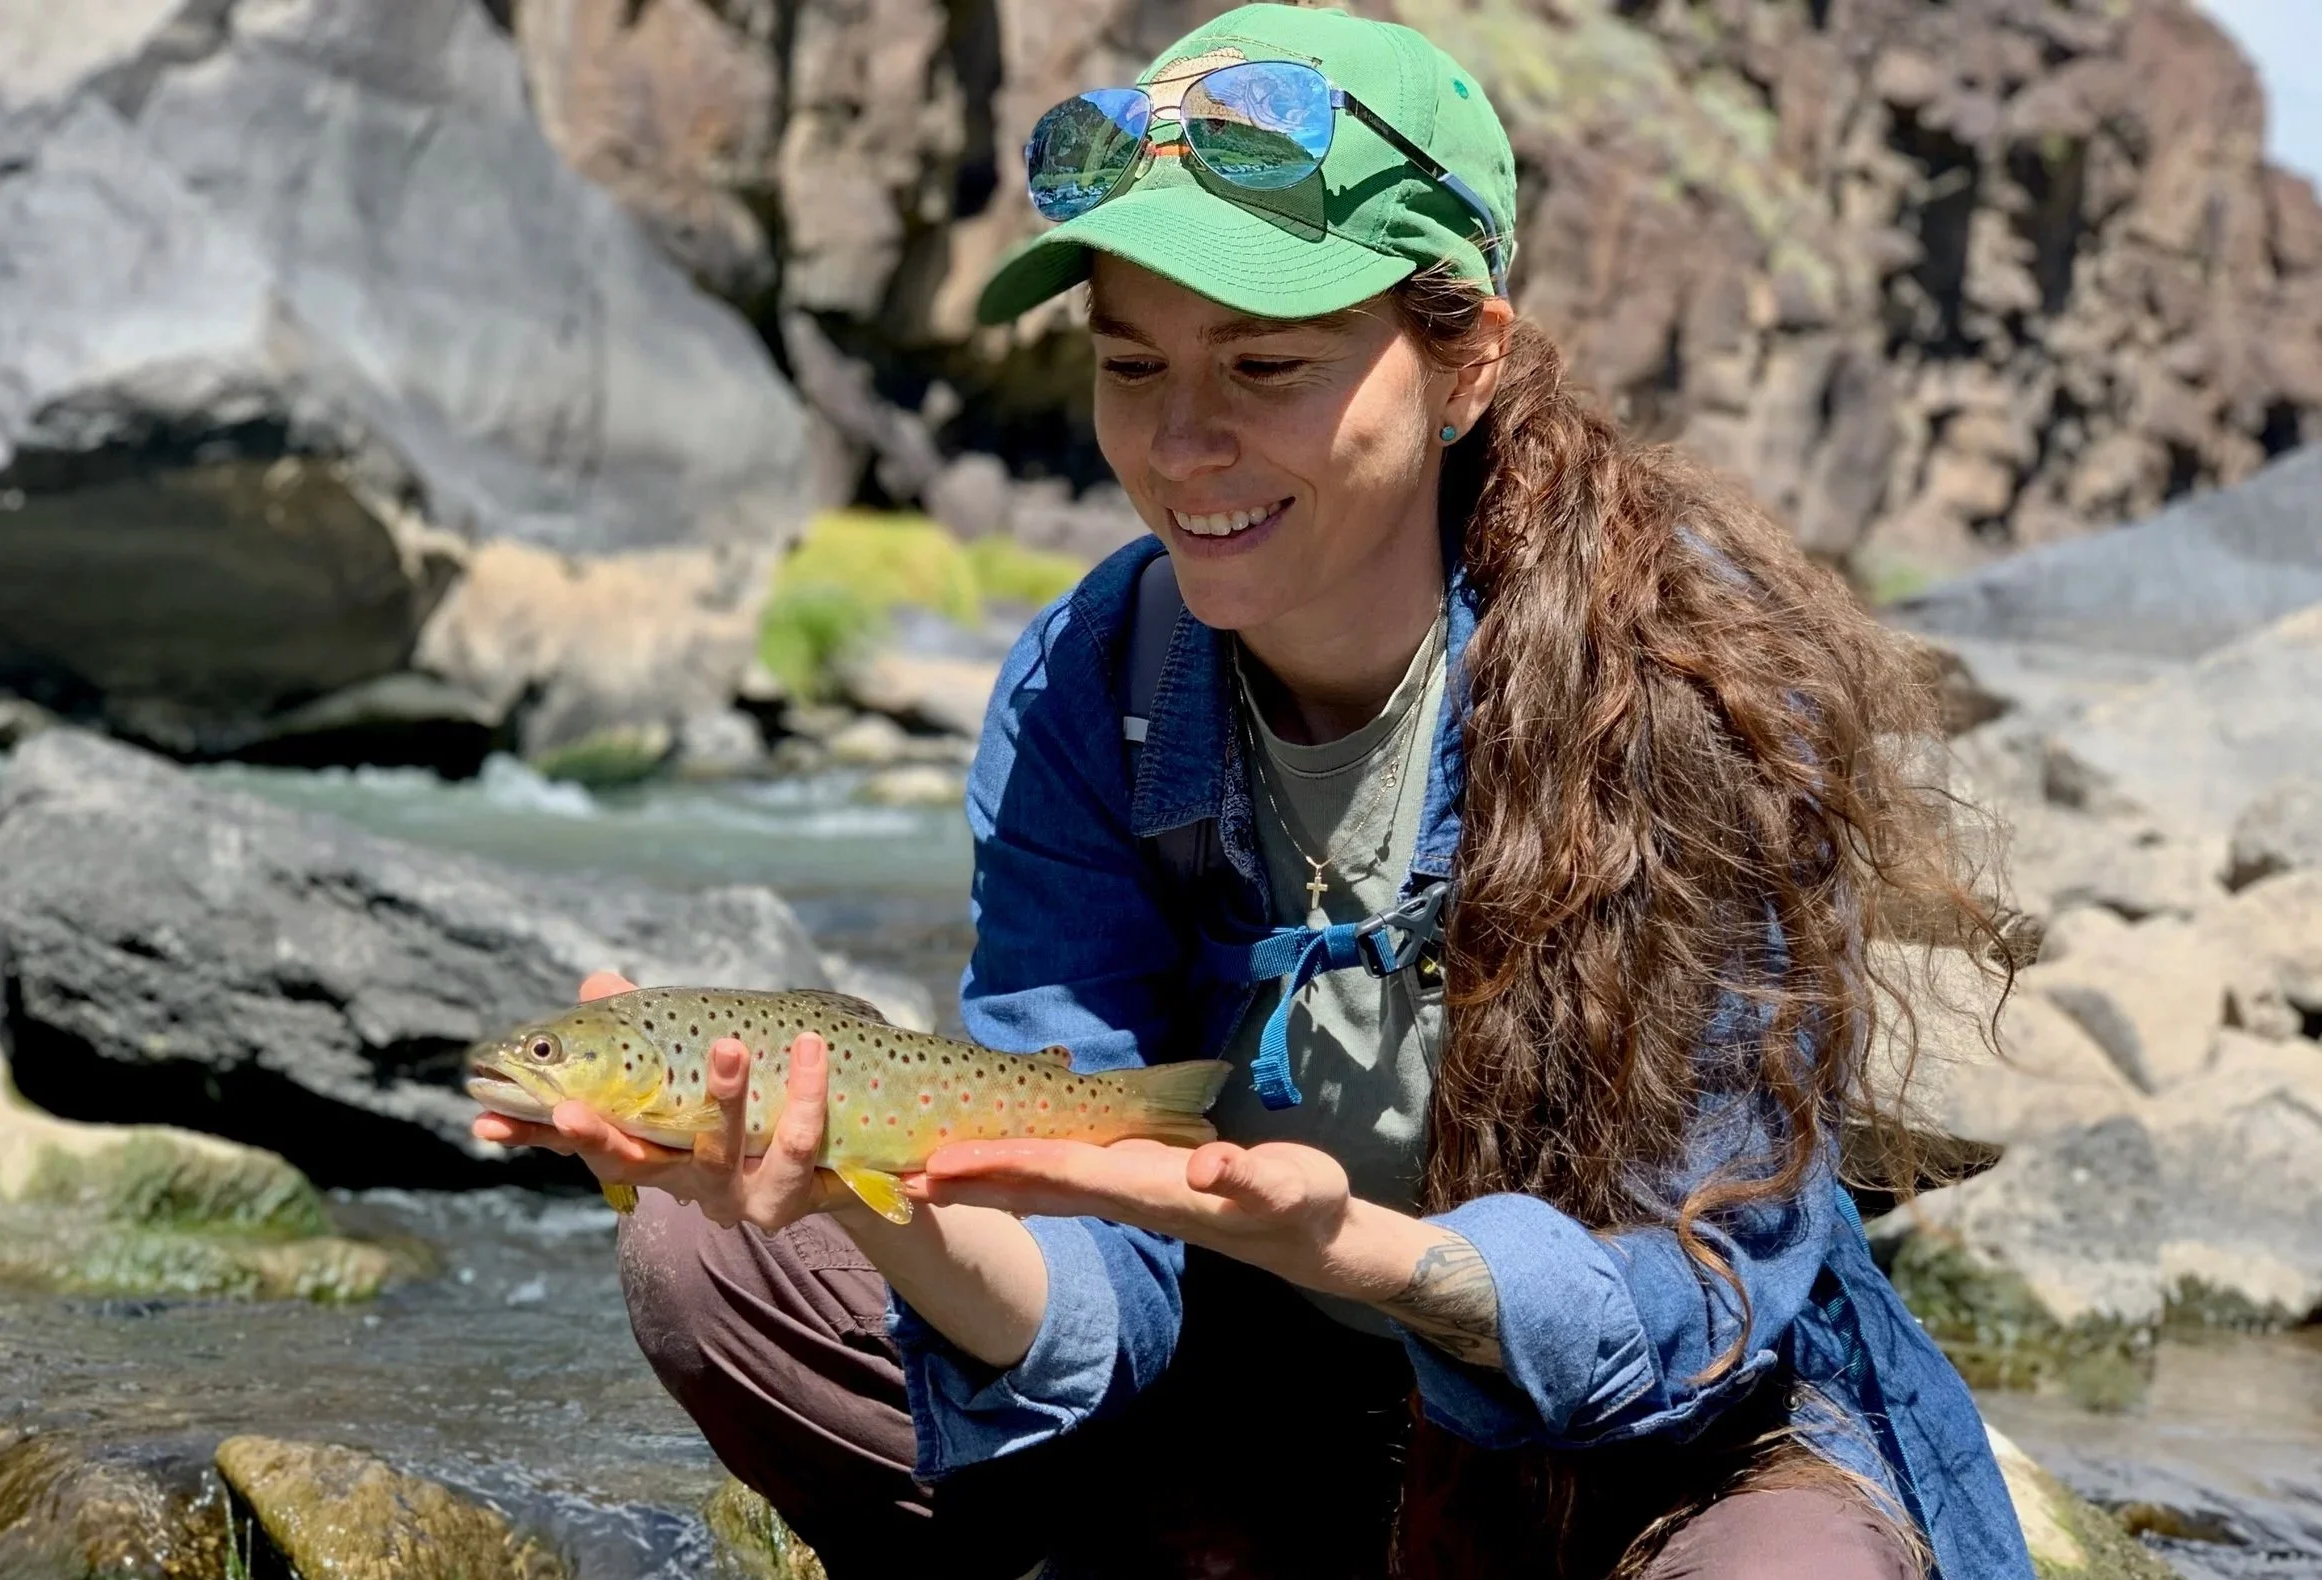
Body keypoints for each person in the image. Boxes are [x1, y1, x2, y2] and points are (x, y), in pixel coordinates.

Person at [473, 7, 2032, 1577]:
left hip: (1621, 1422)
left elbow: (1702, 1290)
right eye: (1129, 362)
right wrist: (872, 1202)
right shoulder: (1093, 686)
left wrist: (1392, 1261)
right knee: (711, 1254)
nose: (1182, 440)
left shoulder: (1692, 687)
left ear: (1468, 363)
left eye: (1267, 363)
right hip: (1244, 1369)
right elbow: (1083, 1245)